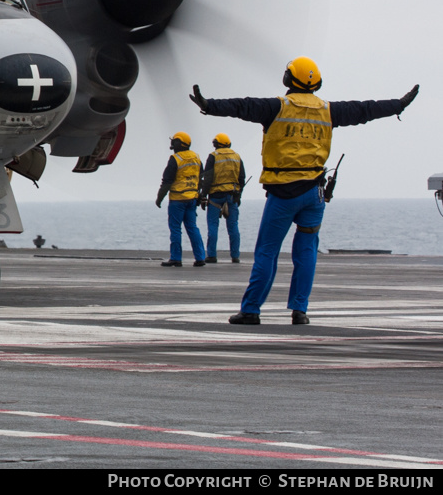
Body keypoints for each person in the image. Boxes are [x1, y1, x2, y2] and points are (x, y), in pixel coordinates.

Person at [191, 57, 418, 325]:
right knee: (307, 250)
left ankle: (251, 310)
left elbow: (243, 106)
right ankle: (300, 311)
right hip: (314, 194)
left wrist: (209, 106)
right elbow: (364, 110)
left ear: (288, 80)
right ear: (316, 83)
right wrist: (398, 105)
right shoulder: (328, 110)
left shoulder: (276, 107)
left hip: (283, 193)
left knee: (267, 251)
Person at [154, 132, 206, 267]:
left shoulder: (175, 159)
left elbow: (167, 181)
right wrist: (199, 195)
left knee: (176, 228)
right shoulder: (196, 157)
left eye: (174, 141)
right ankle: (200, 258)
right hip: (192, 199)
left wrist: (159, 198)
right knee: (192, 227)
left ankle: (176, 258)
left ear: (178, 143)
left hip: (177, 200)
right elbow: (200, 178)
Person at [199, 133, 246, 264]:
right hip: (232, 196)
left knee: (213, 226)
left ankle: (212, 256)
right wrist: (239, 195)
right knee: (233, 227)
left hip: (215, 196)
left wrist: (203, 196)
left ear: (216, 144)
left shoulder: (213, 157)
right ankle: (235, 256)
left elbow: (207, 178)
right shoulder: (237, 156)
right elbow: (241, 177)